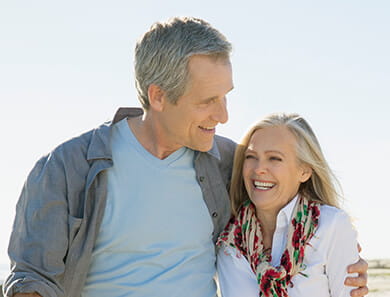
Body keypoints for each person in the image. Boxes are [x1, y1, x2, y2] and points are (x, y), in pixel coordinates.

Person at [2, 17, 367, 297]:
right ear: (158, 97)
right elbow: (32, 279)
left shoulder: (230, 162)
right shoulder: (69, 168)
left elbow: (292, 206)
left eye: (226, 96)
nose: (223, 116)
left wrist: (341, 257)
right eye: (207, 101)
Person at [216, 113, 363, 297]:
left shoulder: (330, 226)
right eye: (251, 156)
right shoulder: (227, 238)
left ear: (304, 171)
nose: (259, 168)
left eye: (274, 158)